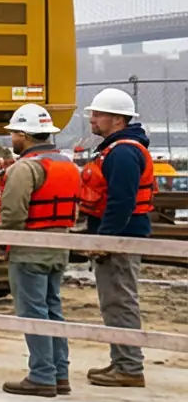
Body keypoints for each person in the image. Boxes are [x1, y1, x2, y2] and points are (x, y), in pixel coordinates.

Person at [0, 102, 80, 395]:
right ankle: (60, 374)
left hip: (30, 248)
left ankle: (42, 375)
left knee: (33, 311)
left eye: (14, 134)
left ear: (24, 135)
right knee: (53, 309)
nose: (11, 139)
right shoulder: (68, 164)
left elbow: (13, 213)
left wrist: (4, 246)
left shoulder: (25, 168)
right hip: (59, 247)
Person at [77, 87, 154, 386]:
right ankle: (122, 362)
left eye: (98, 114)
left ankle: (129, 368)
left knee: (119, 301)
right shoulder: (119, 149)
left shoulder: (122, 152)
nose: (92, 120)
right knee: (115, 301)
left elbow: (121, 201)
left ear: (118, 119)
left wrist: (103, 240)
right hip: (118, 238)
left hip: (119, 241)